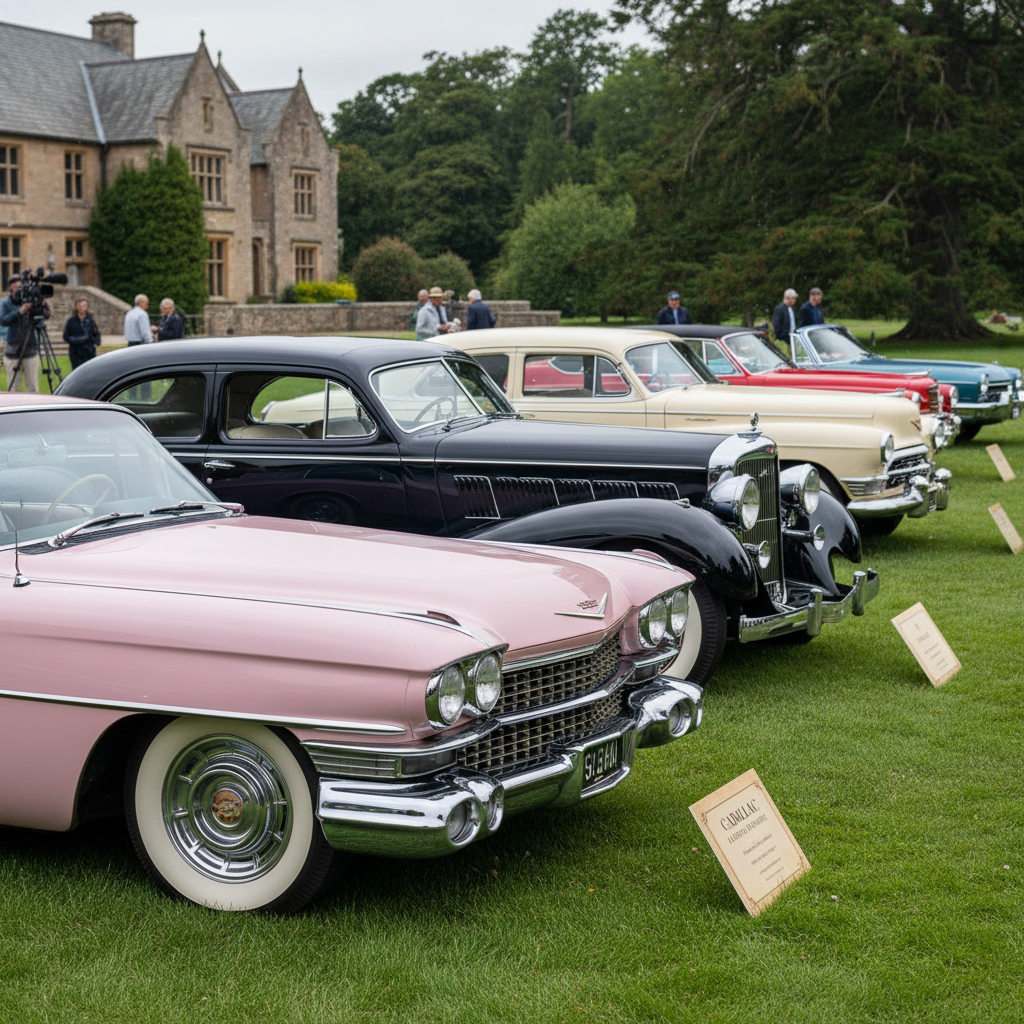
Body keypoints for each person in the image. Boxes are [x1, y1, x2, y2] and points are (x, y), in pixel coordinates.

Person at [1, 274, 39, 393]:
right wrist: (19, 311)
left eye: (18, 282)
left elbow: (44, 316)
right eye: (13, 282)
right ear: (10, 286)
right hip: (13, 350)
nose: (16, 285)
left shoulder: (30, 299)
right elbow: (3, 320)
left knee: (32, 387)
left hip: (30, 348)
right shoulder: (5, 302)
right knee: (13, 388)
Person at [63, 298, 102, 369]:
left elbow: (96, 333)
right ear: (76, 307)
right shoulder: (71, 321)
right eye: (80, 306)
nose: (82, 308)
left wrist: (96, 341)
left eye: (84, 306)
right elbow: (66, 336)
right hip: (76, 352)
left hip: (89, 351)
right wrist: (76, 340)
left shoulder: (90, 321)